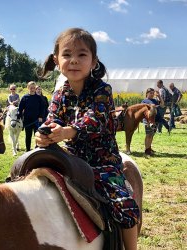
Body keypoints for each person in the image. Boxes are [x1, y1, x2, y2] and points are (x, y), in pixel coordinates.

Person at [35, 28, 139, 249]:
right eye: (67, 54)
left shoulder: (102, 90)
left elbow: (97, 119)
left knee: (125, 206)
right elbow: (52, 118)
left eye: (82, 54)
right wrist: (44, 133)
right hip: (70, 159)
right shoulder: (60, 94)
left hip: (103, 163)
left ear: (93, 62)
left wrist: (68, 131)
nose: (74, 60)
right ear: (56, 60)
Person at [18, 81, 43, 152]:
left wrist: (40, 116)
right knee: (28, 136)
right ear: (28, 88)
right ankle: (28, 150)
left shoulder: (38, 98)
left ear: (35, 88)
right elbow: (20, 109)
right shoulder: (24, 98)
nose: (32, 89)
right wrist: (18, 117)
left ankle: (37, 149)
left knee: (37, 136)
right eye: (31, 88)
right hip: (27, 121)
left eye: (34, 88)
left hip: (36, 120)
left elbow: (42, 108)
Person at [141, 88, 165, 155]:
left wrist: (159, 96)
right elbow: (143, 111)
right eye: (150, 93)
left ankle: (149, 148)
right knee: (148, 134)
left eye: (153, 93)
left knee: (152, 135)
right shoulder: (144, 101)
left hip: (156, 120)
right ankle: (146, 150)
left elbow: (162, 105)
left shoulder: (155, 100)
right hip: (148, 121)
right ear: (147, 93)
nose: (152, 94)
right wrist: (150, 106)